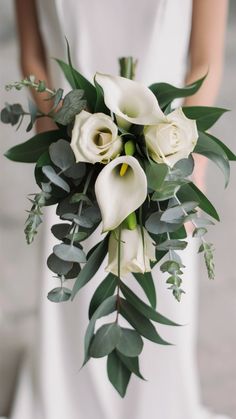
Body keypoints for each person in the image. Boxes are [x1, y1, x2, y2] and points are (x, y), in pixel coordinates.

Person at [7, 1, 229, 418]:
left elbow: (204, 60)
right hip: (72, 158)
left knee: (162, 293)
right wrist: (67, 148)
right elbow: (34, 54)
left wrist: (182, 157)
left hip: (165, 159)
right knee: (71, 287)